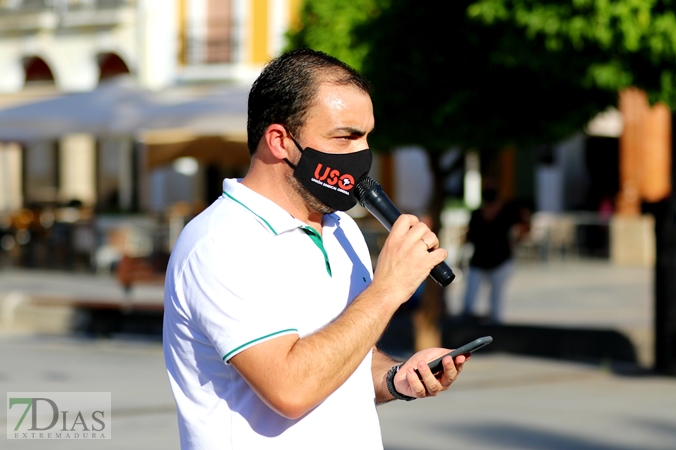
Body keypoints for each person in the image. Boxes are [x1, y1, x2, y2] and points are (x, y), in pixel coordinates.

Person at [163, 48, 469, 450]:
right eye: (345, 137)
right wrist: (389, 288)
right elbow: (289, 388)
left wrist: (396, 377)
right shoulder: (221, 242)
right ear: (279, 141)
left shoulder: (341, 228)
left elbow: (346, 356)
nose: (361, 155)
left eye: (366, 136)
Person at [461, 182, 530, 323]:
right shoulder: (477, 213)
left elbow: (525, 225)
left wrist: (516, 242)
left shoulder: (508, 211)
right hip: (479, 259)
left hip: (501, 259)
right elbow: (469, 234)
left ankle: (495, 324)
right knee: (470, 297)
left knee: (496, 298)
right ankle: (469, 322)